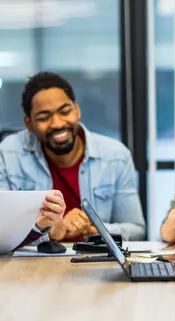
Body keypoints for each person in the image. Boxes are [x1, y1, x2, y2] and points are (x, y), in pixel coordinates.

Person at [0, 72, 145, 241]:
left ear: (77, 110)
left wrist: (91, 230)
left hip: (93, 262)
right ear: (29, 123)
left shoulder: (116, 156)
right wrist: (50, 231)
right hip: (35, 264)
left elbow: (136, 230)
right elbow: (3, 231)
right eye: (44, 117)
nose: (57, 123)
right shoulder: (7, 154)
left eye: (65, 111)